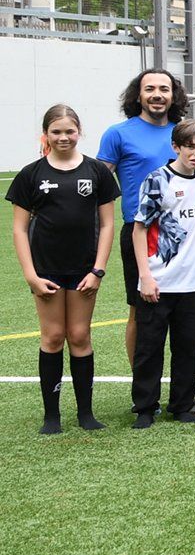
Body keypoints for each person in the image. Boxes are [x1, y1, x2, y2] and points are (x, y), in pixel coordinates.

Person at [10, 104, 118, 433]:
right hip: (46, 270)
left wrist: (97, 270)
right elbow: (18, 229)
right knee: (53, 336)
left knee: (80, 335)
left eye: (69, 131)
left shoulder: (97, 172)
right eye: (56, 132)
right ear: (46, 135)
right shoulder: (31, 174)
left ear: (79, 132)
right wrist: (31, 275)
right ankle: (51, 416)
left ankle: (86, 414)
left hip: (84, 270)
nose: (63, 137)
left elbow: (108, 224)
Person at [129, 119, 195, 426]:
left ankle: (181, 405)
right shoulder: (158, 180)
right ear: (176, 147)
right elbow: (139, 230)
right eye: (190, 146)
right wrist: (146, 277)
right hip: (159, 280)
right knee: (149, 348)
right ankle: (145, 408)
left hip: (192, 283)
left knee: (188, 346)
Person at [99, 68, 185, 362]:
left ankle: (188, 387)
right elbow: (99, 182)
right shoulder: (118, 134)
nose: (157, 95)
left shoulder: (183, 132)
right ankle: (143, 385)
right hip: (141, 232)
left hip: (185, 231)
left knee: (185, 310)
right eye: (150, 89)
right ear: (138, 95)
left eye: (164, 89)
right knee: (141, 309)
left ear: (173, 96)